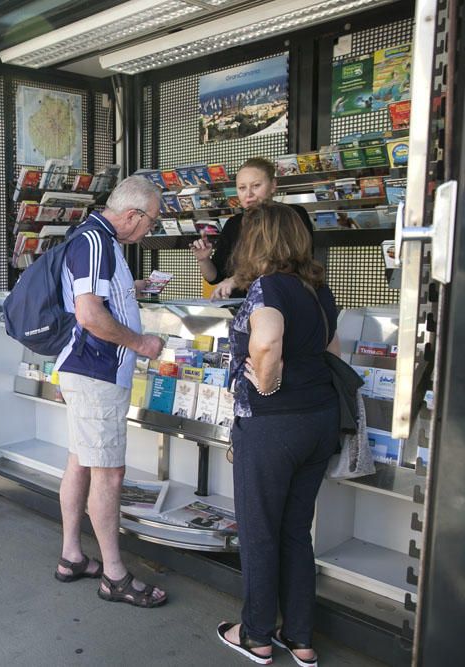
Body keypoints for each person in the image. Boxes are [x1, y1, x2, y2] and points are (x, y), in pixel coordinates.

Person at [215, 202, 340, 667]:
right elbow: (333, 351)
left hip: (273, 425)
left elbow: (266, 339)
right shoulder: (317, 288)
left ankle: (257, 636)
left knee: (259, 531)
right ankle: (301, 637)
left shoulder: (269, 287)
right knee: (294, 530)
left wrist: (266, 383)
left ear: (259, 240)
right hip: (319, 420)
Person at [53, 175, 168, 608]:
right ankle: (115, 577)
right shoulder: (98, 243)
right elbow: (88, 314)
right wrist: (142, 344)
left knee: (81, 462)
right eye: (151, 223)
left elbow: (93, 298)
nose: (149, 231)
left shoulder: (98, 242)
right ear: (133, 216)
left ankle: (72, 556)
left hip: (88, 371)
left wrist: (130, 291)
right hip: (97, 373)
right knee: (108, 472)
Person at [191, 157, 314, 299]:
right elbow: (215, 277)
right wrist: (203, 259)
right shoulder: (233, 224)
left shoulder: (291, 215)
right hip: (241, 307)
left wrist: (236, 279)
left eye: (256, 186)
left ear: (273, 185)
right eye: (242, 188)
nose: (248, 194)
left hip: (280, 302)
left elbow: (288, 264)